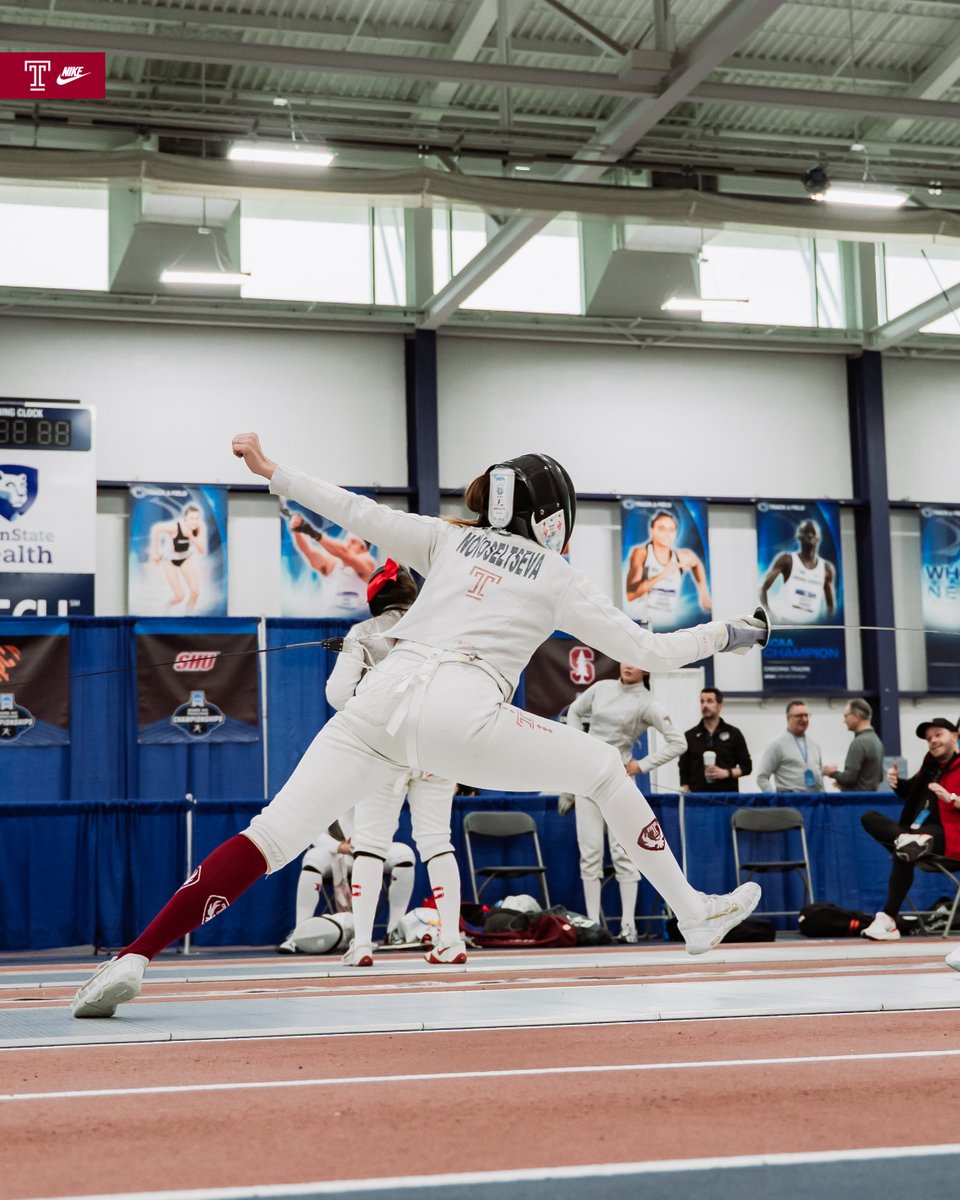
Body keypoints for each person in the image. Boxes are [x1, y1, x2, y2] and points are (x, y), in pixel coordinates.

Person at [71, 438, 769, 1019]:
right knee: (601, 769)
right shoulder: (557, 575)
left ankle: (134, 954)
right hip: (461, 712)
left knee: (271, 837)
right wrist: (736, 632)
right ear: (553, 517)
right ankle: (691, 913)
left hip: (377, 705)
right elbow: (649, 652)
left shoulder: (446, 542)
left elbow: (356, 512)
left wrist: (272, 469)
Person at [322, 559, 461, 966]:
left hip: (384, 748)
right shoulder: (448, 627)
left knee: (370, 845)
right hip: (438, 747)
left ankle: (362, 944)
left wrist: (373, 709)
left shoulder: (362, 634)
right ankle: (451, 939)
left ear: (375, 600)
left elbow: (337, 695)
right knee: (437, 842)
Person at [560, 663, 686, 943]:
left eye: (638, 661)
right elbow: (576, 711)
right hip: (586, 780)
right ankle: (593, 924)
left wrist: (640, 766)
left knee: (624, 854)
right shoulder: (601, 689)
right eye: (626, 658)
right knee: (590, 853)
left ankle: (628, 925)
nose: (630, 665)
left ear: (647, 670)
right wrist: (578, 747)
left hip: (618, 782)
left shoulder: (648, 702)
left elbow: (678, 742)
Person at [860, 718, 960, 941]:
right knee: (870, 818)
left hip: (949, 837)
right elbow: (913, 794)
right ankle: (906, 841)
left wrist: (952, 798)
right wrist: (897, 783)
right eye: (929, 739)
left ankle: (888, 919)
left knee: (906, 846)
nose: (933, 741)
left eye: (938, 735)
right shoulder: (930, 766)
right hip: (917, 833)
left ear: (954, 736)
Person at [284, 506, 376, 616]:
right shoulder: (333, 562)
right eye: (348, 541)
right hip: (331, 623)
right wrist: (297, 530)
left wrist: (314, 534)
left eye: (353, 542)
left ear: (363, 548)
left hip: (359, 624)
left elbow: (344, 553)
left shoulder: (368, 562)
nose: (348, 545)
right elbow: (309, 552)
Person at [624, 510, 711, 626]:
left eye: (671, 530)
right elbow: (631, 595)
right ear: (652, 530)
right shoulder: (641, 553)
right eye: (662, 529)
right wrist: (663, 574)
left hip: (669, 626)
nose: (667, 534)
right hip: (642, 625)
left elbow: (696, 564)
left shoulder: (681, 556)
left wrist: (704, 595)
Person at [760, 519, 836, 625]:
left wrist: (825, 626)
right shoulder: (787, 560)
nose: (809, 535)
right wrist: (769, 614)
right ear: (798, 536)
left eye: (813, 532)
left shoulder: (826, 568)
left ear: (819, 538)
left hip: (811, 629)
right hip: (787, 625)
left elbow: (830, 606)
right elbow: (762, 588)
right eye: (806, 532)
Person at [679, 687, 752, 793]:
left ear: (720, 706)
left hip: (727, 799)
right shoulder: (690, 736)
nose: (705, 705)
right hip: (697, 799)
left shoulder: (734, 734)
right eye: (702, 701)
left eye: (709, 701)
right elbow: (683, 769)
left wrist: (726, 773)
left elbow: (747, 767)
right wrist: (685, 792)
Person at [756, 700, 823, 793]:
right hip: (790, 801)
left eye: (806, 715)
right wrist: (775, 799)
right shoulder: (777, 744)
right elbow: (762, 777)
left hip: (814, 801)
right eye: (799, 716)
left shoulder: (814, 744)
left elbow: (819, 775)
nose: (804, 719)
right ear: (788, 718)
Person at [150, 503, 206, 613]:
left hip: (186, 559)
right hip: (169, 561)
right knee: (180, 596)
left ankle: (187, 617)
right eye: (192, 518)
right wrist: (155, 552)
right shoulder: (175, 526)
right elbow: (156, 529)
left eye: (197, 518)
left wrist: (191, 536)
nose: (194, 521)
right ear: (186, 518)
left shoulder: (200, 528)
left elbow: (202, 550)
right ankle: (167, 606)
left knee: (195, 592)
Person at [822, 698, 884, 791]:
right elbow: (880, 777)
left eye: (846, 716)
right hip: (871, 799)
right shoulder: (877, 741)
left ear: (856, 716)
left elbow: (849, 779)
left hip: (857, 801)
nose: (844, 721)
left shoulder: (859, 742)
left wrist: (831, 773)